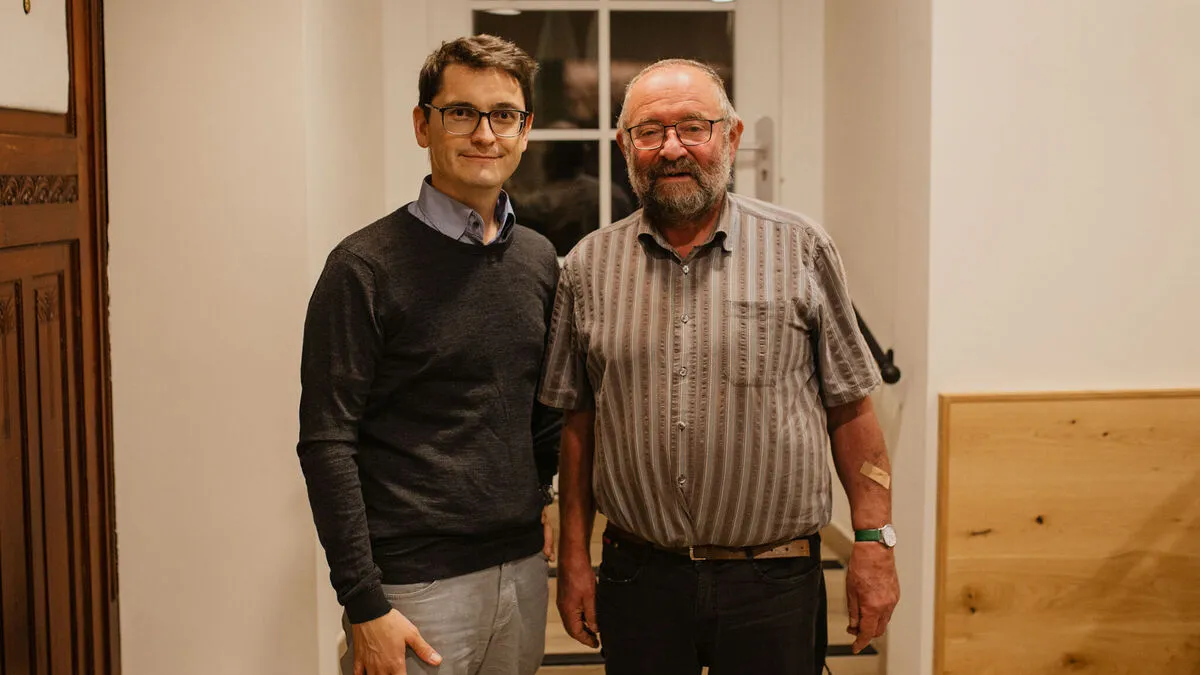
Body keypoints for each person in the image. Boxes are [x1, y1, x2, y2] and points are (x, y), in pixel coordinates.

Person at [539, 58, 900, 675]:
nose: (671, 148)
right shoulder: (585, 268)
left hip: (775, 581)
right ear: (625, 146)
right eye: (649, 132)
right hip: (639, 579)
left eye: (693, 128)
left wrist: (874, 543)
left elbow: (850, 404)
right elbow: (580, 424)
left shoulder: (802, 249)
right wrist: (573, 556)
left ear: (730, 137)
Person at [297, 35, 561, 675]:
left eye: (504, 115)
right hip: (413, 588)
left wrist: (545, 498)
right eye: (461, 112)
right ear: (423, 124)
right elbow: (327, 441)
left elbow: (543, 410)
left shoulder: (540, 259)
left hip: (522, 572)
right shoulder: (362, 268)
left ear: (525, 131)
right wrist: (364, 603)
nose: (485, 134)